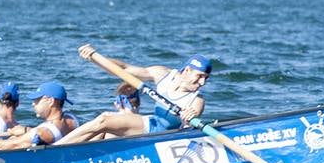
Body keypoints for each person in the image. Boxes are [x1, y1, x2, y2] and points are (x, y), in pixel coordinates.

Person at [56, 48, 210, 146]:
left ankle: (56, 148)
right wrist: (95, 57)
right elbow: (124, 69)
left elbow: (194, 112)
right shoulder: (163, 74)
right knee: (104, 132)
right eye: (200, 76)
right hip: (149, 123)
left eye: (206, 78)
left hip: (163, 136)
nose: (202, 82)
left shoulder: (196, 99)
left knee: (105, 119)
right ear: (187, 70)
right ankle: (63, 152)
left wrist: (190, 115)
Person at [0, 81, 77, 149]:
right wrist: (26, 130)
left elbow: (3, 147)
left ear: (50, 101)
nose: (33, 104)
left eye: (37, 100)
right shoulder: (71, 119)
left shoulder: (44, 131)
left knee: (13, 141)